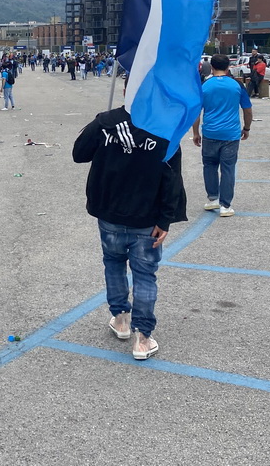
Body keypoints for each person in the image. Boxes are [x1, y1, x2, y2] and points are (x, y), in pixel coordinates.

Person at [73, 105, 188, 361]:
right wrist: (165, 218)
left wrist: (101, 125)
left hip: (111, 213)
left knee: (114, 263)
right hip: (146, 217)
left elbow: (79, 152)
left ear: (127, 91)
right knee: (145, 275)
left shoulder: (106, 122)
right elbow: (172, 177)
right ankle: (142, 338)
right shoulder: (163, 128)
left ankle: (122, 318)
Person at [190, 54, 252, 217]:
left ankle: (212, 199)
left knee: (209, 165)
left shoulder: (204, 86)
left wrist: (196, 132)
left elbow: (196, 111)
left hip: (210, 132)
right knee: (228, 168)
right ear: (227, 67)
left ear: (211, 67)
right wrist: (246, 128)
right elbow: (247, 109)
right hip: (230, 134)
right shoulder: (237, 85)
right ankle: (226, 205)